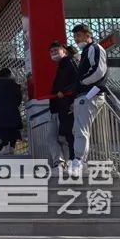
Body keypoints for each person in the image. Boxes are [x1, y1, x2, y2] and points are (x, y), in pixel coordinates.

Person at [68, 23, 107, 179]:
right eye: (75, 36)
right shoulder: (86, 51)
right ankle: (81, 163)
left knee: (81, 128)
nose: (76, 39)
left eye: (78, 35)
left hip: (91, 93)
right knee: (78, 129)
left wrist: (82, 81)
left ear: (87, 34)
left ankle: (78, 161)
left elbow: (99, 70)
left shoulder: (95, 48)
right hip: (84, 95)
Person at [46, 41, 78, 173]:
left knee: (67, 134)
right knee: (59, 136)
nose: (53, 53)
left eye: (56, 50)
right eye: (51, 51)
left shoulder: (70, 62)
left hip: (67, 104)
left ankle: (71, 161)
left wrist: (64, 92)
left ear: (64, 51)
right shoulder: (61, 66)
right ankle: (63, 163)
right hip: (59, 106)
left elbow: (77, 81)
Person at [0, 68, 23, 155]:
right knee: (13, 130)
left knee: (3, 129)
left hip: (1, 112)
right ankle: (12, 147)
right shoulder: (14, 85)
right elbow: (19, 98)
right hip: (13, 111)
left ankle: (6, 146)